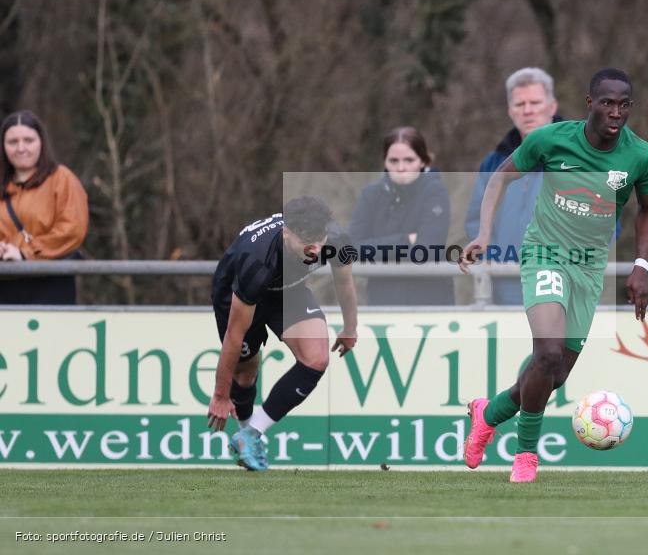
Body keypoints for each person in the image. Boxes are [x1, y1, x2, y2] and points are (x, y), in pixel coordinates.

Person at [459, 68, 648, 482]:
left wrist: (641, 264)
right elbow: (500, 178)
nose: (616, 112)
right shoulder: (551, 140)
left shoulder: (640, 155)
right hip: (545, 254)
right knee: (547, 353)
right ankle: (526, 456)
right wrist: (483, 233)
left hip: (590, 268)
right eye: (607, 103)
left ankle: (488, 413)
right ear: (591, 104)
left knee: (556, 373)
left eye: (624, 104)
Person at [207, 196, 359, 471]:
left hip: (285, 289)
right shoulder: (256, 261)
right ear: (286, 233)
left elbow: (345, 284)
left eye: (319, 240)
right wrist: (220, 395)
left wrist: (350, 327)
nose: (315, 250)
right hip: (237, 293)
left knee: (317, 358)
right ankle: (246, 437)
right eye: (306, 243)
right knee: (245, 372)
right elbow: (234, 335)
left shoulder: (337, 240)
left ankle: (250, 434)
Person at [464, 67, 559, 305]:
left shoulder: (581, 157)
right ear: (510, 111)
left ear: (552, 107)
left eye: (535, 102)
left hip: (562, 287)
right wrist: (494, 258)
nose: (527, 111)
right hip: (504, 290)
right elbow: (476, 220)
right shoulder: (494, 163)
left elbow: (607, 221)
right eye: (519, 104)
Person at [349, 126, 453, 305]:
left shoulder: (436, 192)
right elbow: (352, 250)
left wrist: (376, 249)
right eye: (394, 161)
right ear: (385, 162)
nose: (401, 167)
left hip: (431, 303)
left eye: (409, 160)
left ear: (423, 161)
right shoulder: (370, 195)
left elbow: (427, 250)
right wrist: (405, 240)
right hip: (382, 302)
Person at [0, 110, 88, 304]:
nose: (21, 148)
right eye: (13, 142)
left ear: (41, 142)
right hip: (4, 282)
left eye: (28, 140)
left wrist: (24, 253)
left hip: (50, 283)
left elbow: (71, 230)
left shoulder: (62, 179)